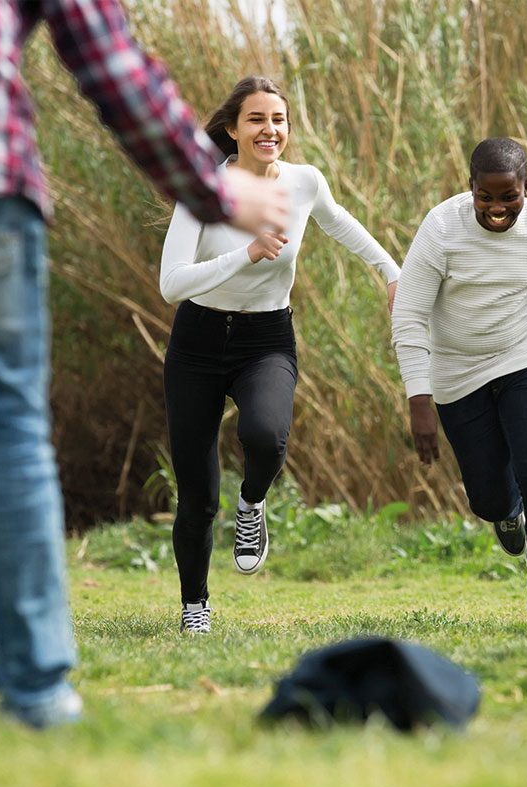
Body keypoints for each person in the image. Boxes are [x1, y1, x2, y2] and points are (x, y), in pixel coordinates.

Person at [0, 0, 287, 728]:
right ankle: (35, 694)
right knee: (6, 435)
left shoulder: (304, 183)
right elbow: (110, 64)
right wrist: (215, 191)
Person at [158, 76, 400, 634]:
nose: (270, 130)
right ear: (232, 130)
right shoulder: (205, 193)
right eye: (257, 120)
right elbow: (172, 284)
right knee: (196, 494)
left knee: (267, 435)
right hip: (195, 343)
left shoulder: (303, 183)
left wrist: (391, 270)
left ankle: (253, 505)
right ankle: (195, 605)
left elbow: (341, 224)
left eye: (279, 120)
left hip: (265, 339)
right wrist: (244, 254)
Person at [391, 137, 527, 633]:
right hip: (457, 373)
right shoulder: (441, 229)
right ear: (471, 188)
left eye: (510, 197)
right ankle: (506, 512)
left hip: (525, 357)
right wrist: (419, 397)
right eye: (486, 196)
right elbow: (410, 314)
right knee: (487, 498)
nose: (498, 208)